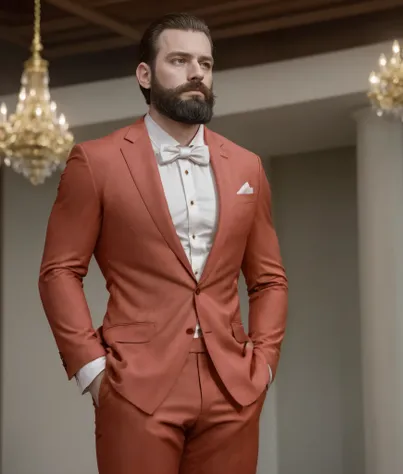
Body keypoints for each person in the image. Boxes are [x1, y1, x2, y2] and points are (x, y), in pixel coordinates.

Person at [38, 12, 288, 474]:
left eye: (206, 64)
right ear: (145, 75)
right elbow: (59, 272)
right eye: (179, 60)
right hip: (135, 385)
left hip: (232, 385)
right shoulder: (96, 162)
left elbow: (269, 279)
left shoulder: (247, 167)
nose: (197, 73)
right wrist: (93, 371)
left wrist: (264, 363)